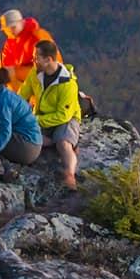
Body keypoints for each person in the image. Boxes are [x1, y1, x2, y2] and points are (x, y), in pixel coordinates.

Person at [19, 39, 82, 191]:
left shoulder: (67, 84)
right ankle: (51, 140)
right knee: (24, 134)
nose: (33, 60)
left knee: (63, 144)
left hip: (66, 119)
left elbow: (63, 116)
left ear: (48, 60)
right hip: (42, 117)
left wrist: (36, 120)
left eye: (36, 57)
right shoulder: (35, 74)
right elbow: (22, 94)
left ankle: (70, 174)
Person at [0, 64, 42, 170]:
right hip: (33, 144)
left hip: (27, 147)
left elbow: (5, 133)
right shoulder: (5, 94)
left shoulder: (1, 101)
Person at [0, 9, 51, 87]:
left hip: (45, 73)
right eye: (7, 30)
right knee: (6, 73)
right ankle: (19, 96)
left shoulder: (36, 35)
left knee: (11, 72)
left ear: (22, 22)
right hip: (27, 76)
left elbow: (49, 63)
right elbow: (6, 66)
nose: (10, 31)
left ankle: (22, 97)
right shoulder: (10, 43)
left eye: (13, 27)